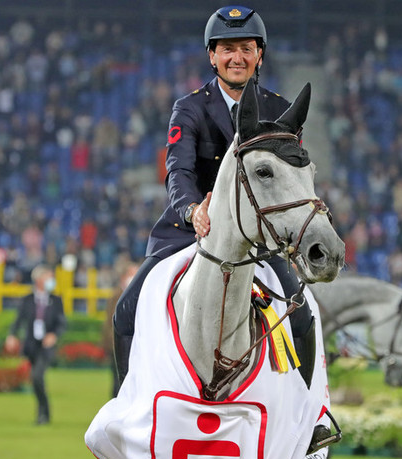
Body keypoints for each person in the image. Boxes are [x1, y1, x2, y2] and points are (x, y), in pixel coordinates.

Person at [112, 5, 317, 393]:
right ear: (212, 55)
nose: (236, 57)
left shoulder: (279, 110)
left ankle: (308, 416)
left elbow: (289, 182)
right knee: (126, 312)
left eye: (245, 48)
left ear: (259, 54)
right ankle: (128, 402)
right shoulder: (188, 108)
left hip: (258, 236)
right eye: (227, 49)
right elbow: (180, 172)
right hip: (189, 231)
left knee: (303, 317)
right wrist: (193, 210)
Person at [6, 265, 66, 425]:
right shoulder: (27, 300)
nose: (51, 280)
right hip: (31, 345)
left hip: (46, 346)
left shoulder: (56, 300)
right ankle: (43, 412)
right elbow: (18, 321)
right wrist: (12, 335)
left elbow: (61, 323)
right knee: (36, 380)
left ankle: (43, 413)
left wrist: (54, 335)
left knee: (37, 376)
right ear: (39, 280)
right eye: (48, 277)